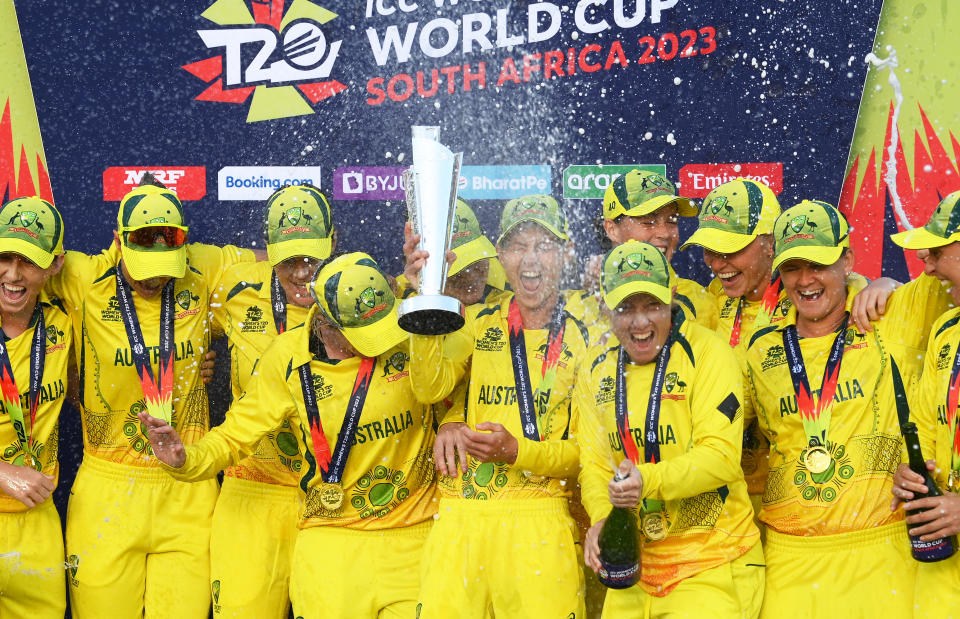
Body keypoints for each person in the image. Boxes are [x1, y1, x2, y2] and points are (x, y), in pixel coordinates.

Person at [140, 254, 439, 618]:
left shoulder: (405, 334)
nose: (377, 344)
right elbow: (235, 436)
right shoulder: (287, 358)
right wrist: (187, 459)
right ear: (324, 321)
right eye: (362, 337)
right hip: (331, 542)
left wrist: (453, 421)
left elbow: (458, 386)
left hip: (412, 539)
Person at [49, 184, 258, 617]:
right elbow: (18, 280)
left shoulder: (202, 268)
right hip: (107, 488)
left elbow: (283, 268)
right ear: (117, 240)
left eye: (165, 265)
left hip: (188, 487)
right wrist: (71, 368)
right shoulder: (85, 278)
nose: (154, 278)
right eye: (143, 264)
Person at [744, 200, 953, 617]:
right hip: (790, 558)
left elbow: (946, 274)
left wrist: (887, 284)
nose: (805, 280)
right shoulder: (759, 349)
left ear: (848, 260)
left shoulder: (894, 315)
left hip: (882, 552)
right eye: (792, 267)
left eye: (819, 264)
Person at [410, 194, 591, 617]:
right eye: (517, 246)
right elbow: (429, 387)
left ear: (565, 254)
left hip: (539, 518)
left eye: (543, 246)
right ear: (501, 257)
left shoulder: (587, 335)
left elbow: (588, 452)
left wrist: (518, 452)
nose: (530, 260)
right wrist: (424, 294)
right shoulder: (479, 323)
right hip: (461, 517)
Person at [680, 178, 897, 531]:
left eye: (731, 249)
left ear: (770, 244)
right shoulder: (712, 300)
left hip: (809, 495)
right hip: (731, 492)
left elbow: (857, 289)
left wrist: (886, 284)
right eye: (709, 249)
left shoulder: (817, 298)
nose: (718, 264)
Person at [578, 240, 763, 617]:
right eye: (625, 307)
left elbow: (722, 459)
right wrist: (602, 517)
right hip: (636, 569)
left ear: (672, 300)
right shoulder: (595, 368)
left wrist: (646, 480)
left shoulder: (709, 353)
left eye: (653, 306)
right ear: (605, 309)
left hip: (711, 564)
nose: (640, 321)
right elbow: (595, 465)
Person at [206, 183, 334, 617]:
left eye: (311, 257)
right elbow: (164, 299)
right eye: (287, 258)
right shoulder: (233, 285)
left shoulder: (358, 296)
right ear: (267, 250)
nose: (301, 273)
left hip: (329, 499)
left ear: (333, 244)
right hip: (253, 492)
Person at [889, 190, 960, 618]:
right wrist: (910, 474)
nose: (927, 265)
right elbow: (924, 430)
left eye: (936, 252)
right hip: (944, 573)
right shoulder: (945, 332)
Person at [0, 197, 72, 618]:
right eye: (4, 257)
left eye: (27, 261)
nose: (12, 274)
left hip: (38, 522)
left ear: (55, 265)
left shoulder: (63, 322)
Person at [596, 168, 717, 328]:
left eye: (672, 221)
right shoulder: (580, 308)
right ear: (612, 230)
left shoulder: (701, 304)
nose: (665, 233)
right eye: (648, 222)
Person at [399, 198, 508, 306]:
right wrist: (432, 299)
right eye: (459, 268)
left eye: (476, 260)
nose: (472, 276)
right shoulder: (401, 299)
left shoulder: (514, 289)